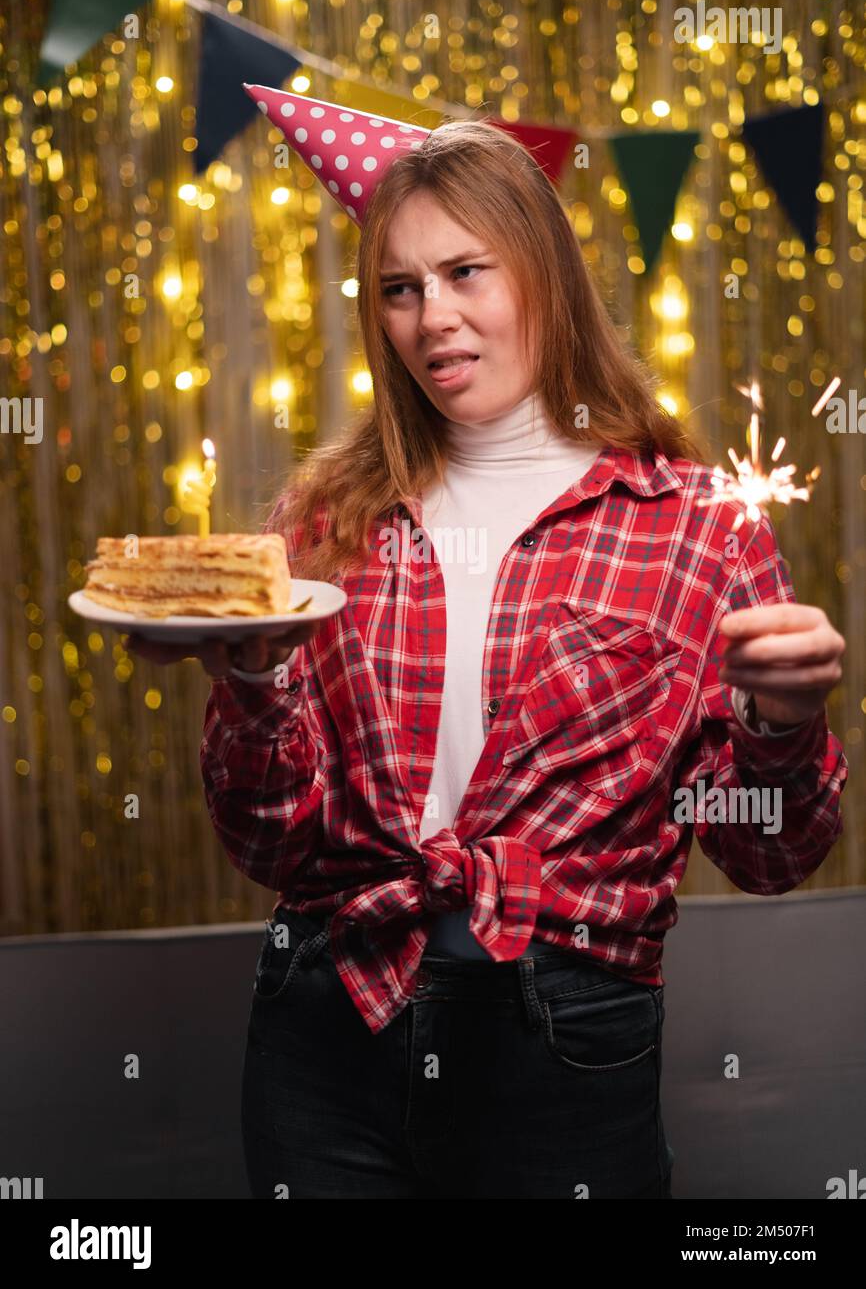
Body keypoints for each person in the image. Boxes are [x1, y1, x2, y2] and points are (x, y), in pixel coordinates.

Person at [127, 94, 847, 1200]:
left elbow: (767, 856)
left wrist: (778, 727)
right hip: (325, 1025)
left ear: (544, 276)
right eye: (400, 288)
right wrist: (252, 674)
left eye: (467, 272)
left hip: (563, 1042)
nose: (432, 318)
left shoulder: (696, 525)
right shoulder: (325, 517)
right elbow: (268, 846)